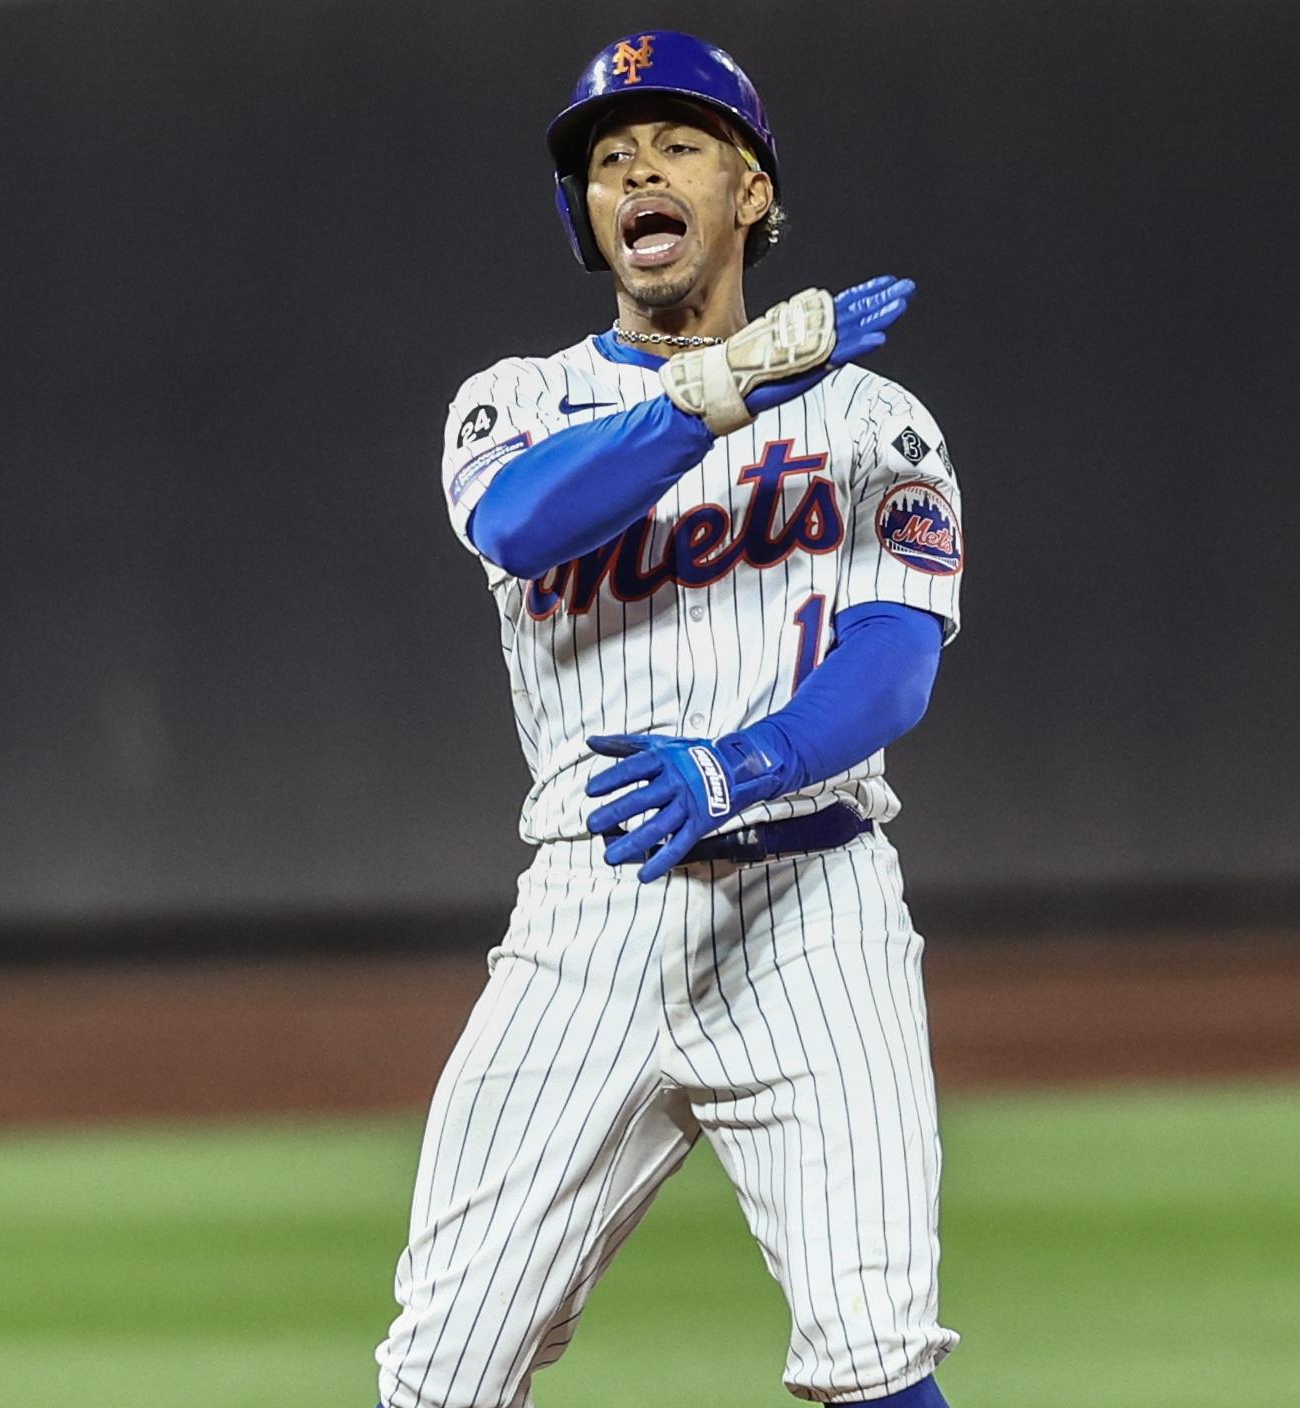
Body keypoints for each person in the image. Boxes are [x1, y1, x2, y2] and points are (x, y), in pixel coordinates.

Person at [379, 30, 967, 1408]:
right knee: (443, 1377)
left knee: (877, 1354)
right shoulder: (516, 403)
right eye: (606, 158)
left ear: (752, 192)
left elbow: (895, 661)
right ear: (587, 217)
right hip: (591, 918)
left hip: (815, 908)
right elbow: (525, 527)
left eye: (679, 143)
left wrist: (740, 763)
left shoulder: (877, 417)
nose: (636, 166)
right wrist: (722, 390)